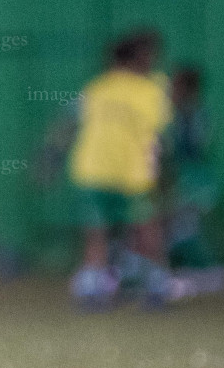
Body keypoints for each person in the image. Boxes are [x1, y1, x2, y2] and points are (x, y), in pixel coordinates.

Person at [64, 28, 175, 310]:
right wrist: (164, 171)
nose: (152, 60)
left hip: (100, 172)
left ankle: (123, 288)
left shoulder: (100, 87)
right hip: (122, 174)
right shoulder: (148, 90)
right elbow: (161, 138)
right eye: (149, 55)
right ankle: (142, 288)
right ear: (137, 57)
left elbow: (66, 125)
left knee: (103, 234)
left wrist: (49, 159)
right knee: (139, 233)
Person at [162, 64, 224, 296]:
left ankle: (205, 271)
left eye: (177, 86)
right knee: (174, 225)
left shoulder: (197, 115)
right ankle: (184, 271)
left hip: (196, 182)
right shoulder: (170, 115)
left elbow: (194, 150)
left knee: (189, 226)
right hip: (179, 181)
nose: (172, 91)